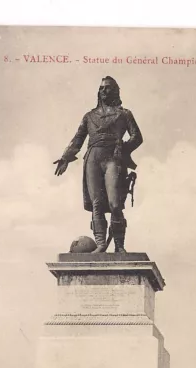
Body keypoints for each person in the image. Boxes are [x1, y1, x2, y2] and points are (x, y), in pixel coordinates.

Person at [54, 76, 143, 253]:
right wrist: (65, 157)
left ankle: (119, 245)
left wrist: (123, 147)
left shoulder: (124, 114)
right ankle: (101, 243)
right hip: (93, 158)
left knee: (114, 203)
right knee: (96, 203)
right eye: (101, 88)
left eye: (108, 88)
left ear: (116, 91)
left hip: (113, 159)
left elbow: (137, 137)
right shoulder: (89, 116)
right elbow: (78, 139)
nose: (104, 91)